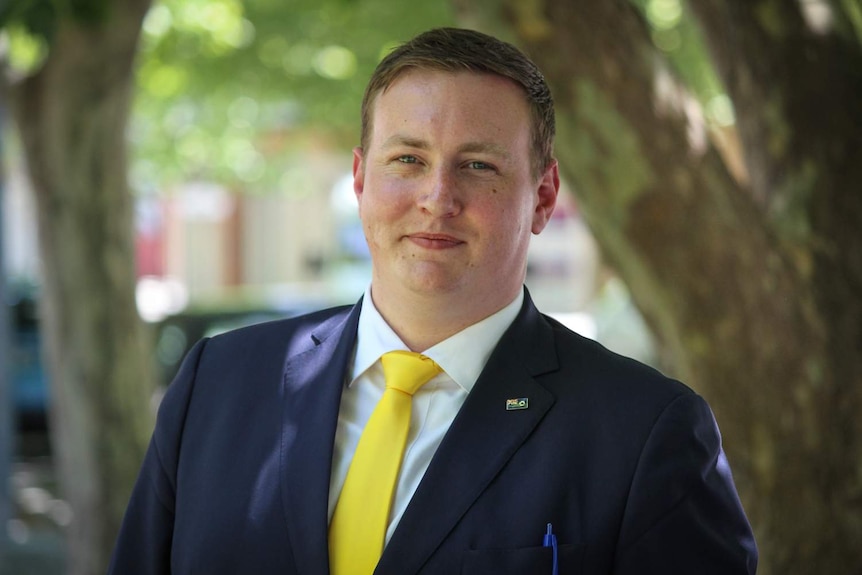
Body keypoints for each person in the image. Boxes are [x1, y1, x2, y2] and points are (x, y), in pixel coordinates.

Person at [108, 27, 757, 574]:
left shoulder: (646, 433)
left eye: (478, 165)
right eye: (408, 159)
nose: (437, 196)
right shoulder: (215, 386)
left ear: (545, 196)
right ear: (361, 179)